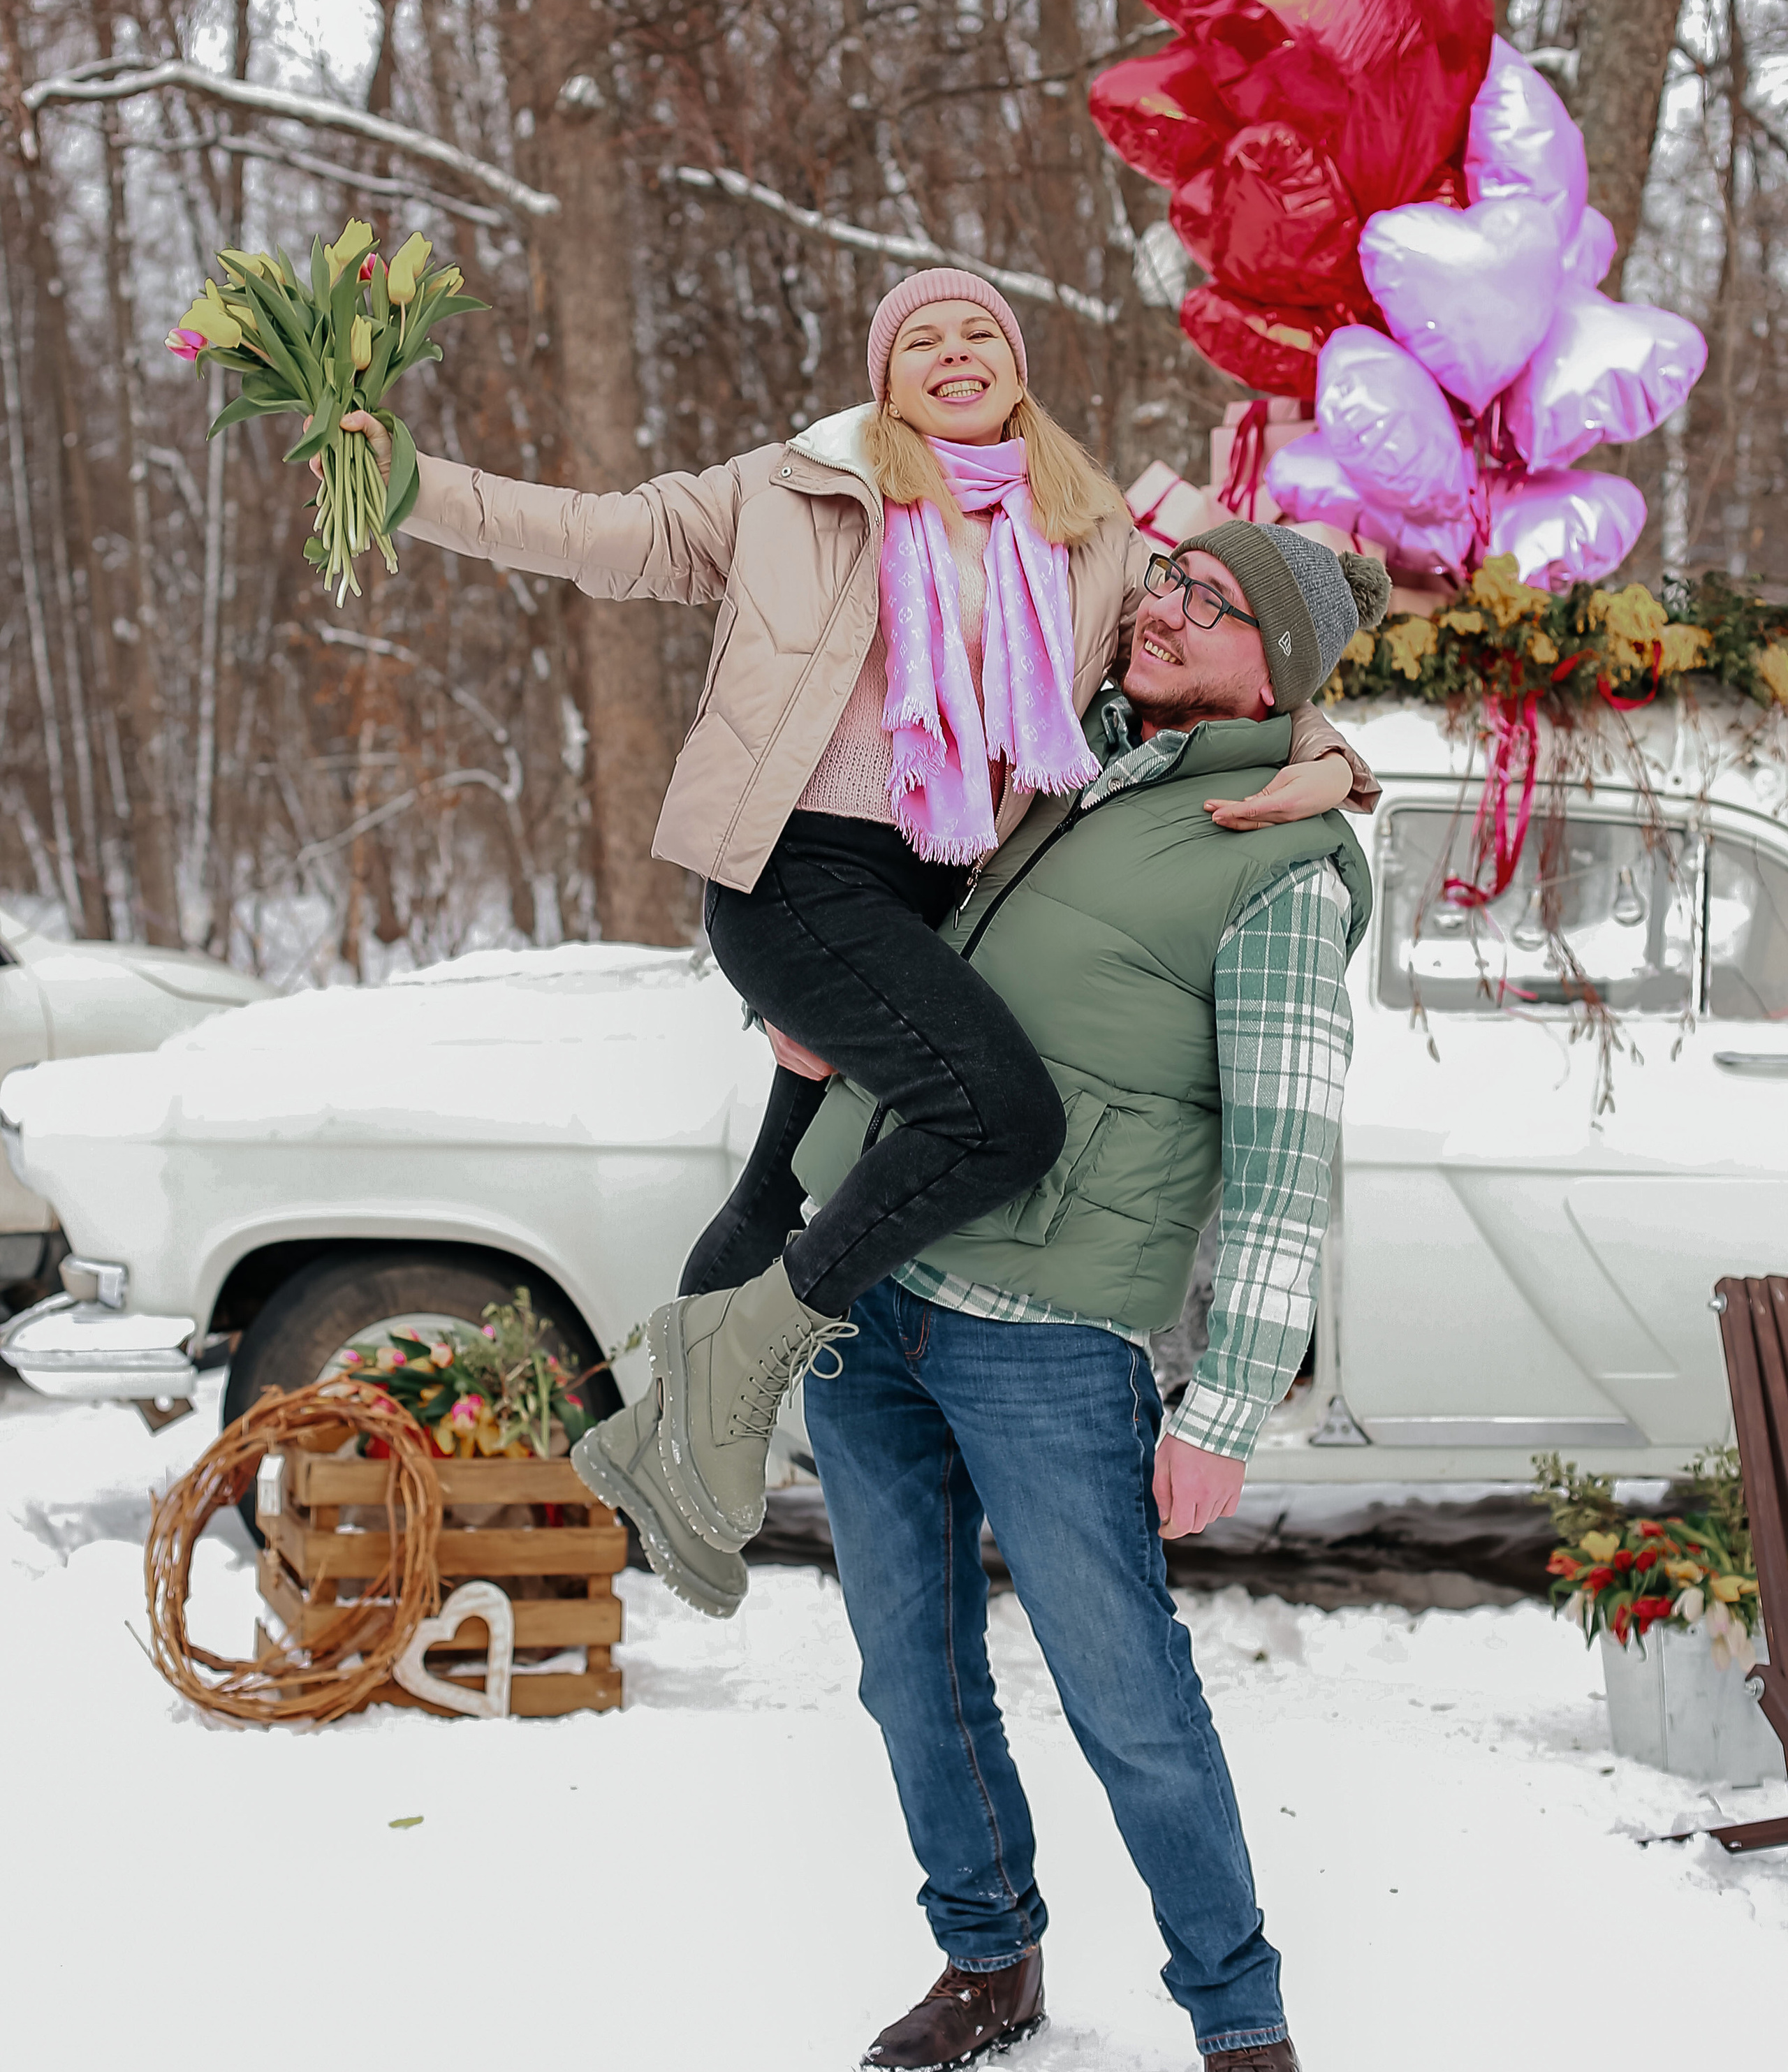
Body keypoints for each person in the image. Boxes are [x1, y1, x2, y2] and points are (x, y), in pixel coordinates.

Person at [328, 274, 1377, 1615]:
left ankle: (666, 1451)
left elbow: (1230, 648)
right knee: (1000, 1119)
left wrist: (1326, 757)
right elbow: (602, 536)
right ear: (886, 376)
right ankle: (725, 1385)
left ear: (1016, 362)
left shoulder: (1094, 526)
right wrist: (417, 485)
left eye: (978, 332)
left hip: (941, 886)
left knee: (789, 1170)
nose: (953, 354)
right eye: (920, 340)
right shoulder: (797, 488)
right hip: (796, 869)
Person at [777, 518, 1385, 2072]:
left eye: (1214, 601)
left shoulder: (1278, 857)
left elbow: (1281, 1158)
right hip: (870, 1277)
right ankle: (987, 1958)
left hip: (1046, 1326)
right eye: (1166, 582)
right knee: (907, 1669)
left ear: (1281, 670)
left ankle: (1240, 2022)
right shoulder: (1054, 757)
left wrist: (1229, 1405)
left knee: (1126, 1694)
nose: (1167, 607)